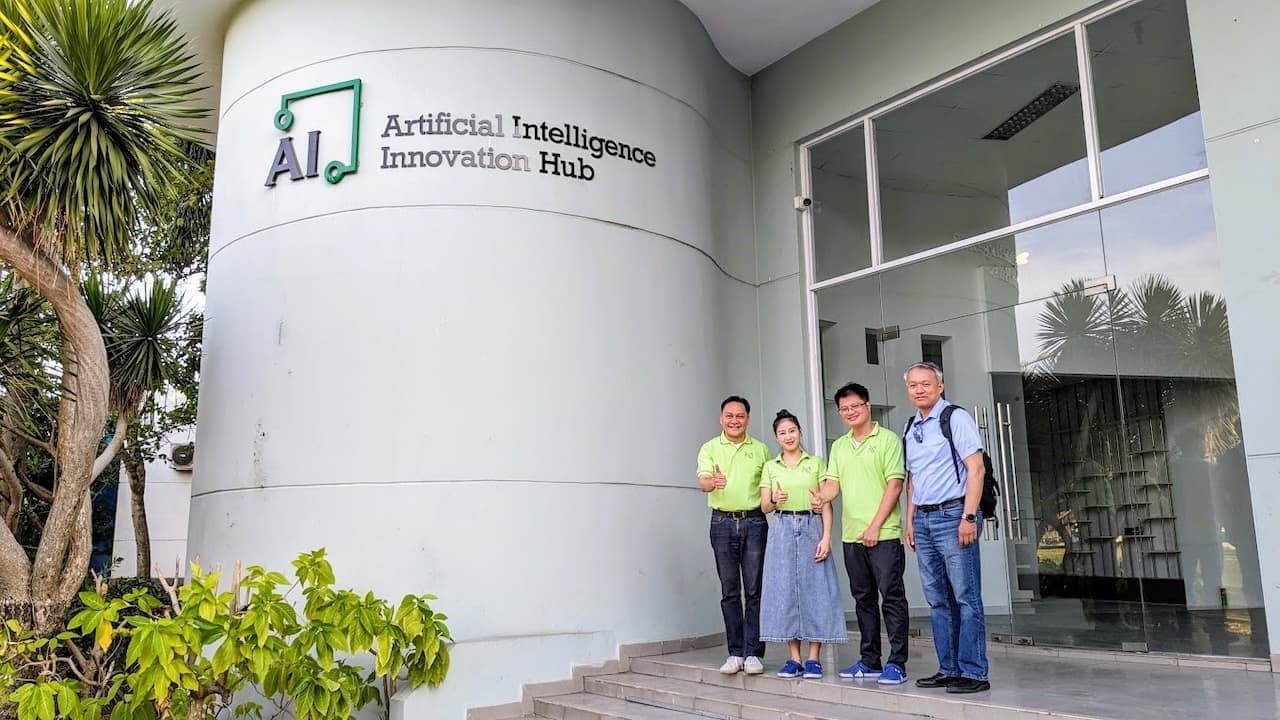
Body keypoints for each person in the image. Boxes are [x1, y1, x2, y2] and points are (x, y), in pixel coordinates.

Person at [901, 362, 990, 693]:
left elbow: (976, 469)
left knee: (966, 597)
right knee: (938, 599)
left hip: (954, 515)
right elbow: (913, 479)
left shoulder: (956, 418)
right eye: (913, 385)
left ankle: (974, 672)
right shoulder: (911, 426)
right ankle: (949, 668)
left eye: (925, 384)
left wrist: (969, 517)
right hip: (923, 519)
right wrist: (910, 520)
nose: (919, 389)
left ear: (940, 386)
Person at [813, 383, 909, 685]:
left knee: (891, 597)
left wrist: (875, 526)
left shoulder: (888, 440)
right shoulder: (840, 446)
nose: (850, 412)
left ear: (867, 406)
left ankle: (898, 663)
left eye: (855, 406)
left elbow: (895, 485)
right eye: (844, 409)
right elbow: (833, 484)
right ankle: (870, 661)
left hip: (884, 534)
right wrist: (822, 496)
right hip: (851, 536)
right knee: (863, 599)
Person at [759, 409, 847, 679]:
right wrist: (774, 499)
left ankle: (813, 658)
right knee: (785, 590)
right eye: (782, 433)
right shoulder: (771, 466)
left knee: (815, 588)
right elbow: (764, 506)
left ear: (800, 432)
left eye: (792, 431)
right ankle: (794, 657)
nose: (788, 436)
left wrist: (826, 537)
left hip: (812, 525)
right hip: (782, 527)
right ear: (776, 437)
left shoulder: (816, 463)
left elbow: (825, 503)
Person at [697, 395, 770, 675]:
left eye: (740, 416)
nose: (734, 420)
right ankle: (735, 652)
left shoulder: (761, 450)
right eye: (729, 415)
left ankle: (753, 653)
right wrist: (712, 482)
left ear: (748, 419)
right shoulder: (710, 448)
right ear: (721, 418)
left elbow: (769, 486)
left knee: (753, 590)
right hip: (722, 523)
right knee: (730, 590)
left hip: (754, 522)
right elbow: (703, 481)